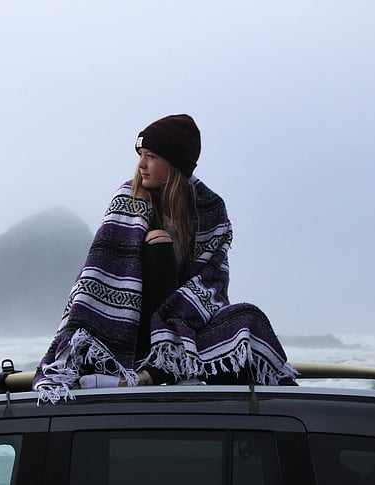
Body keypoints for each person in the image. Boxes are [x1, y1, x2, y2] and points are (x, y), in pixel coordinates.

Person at [33, 114, 295, 403]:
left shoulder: (209, 208)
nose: (141, 165)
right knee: (158, 241)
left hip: (186, 315)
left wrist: (180, 315)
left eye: (151, 156)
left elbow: (212, 280)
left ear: (175, 162)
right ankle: (160, 371)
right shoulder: (129, 198)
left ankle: (163, 371)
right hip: (131, 325)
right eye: (141, 155)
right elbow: (102, 271)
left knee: (248, 317)